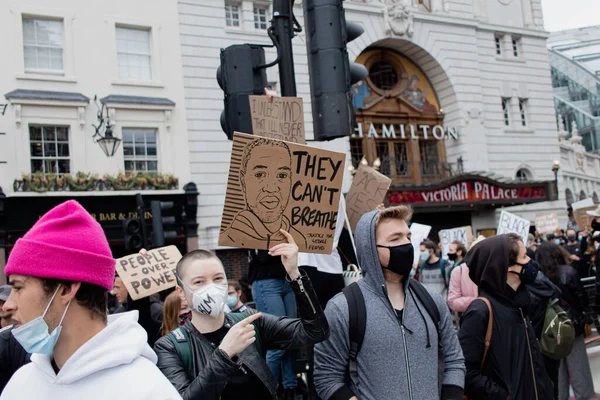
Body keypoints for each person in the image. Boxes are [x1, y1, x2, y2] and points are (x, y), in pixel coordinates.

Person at [0, 200, 181, 399]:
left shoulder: (148, 390)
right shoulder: (21, 384)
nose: (8, 305)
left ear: (66, 290)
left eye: (18, 287)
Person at [153, 230, 329, 400]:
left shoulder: (250, 322)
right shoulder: (170, 347)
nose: (211, 287)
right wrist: (224, 354)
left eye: (218, 278)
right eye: (199, 282)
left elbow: (315, 331)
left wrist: (295, 274)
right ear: (181, 292)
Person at [314, 206, 465, 400]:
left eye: (408, 237)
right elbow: (327, 377)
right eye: (395, 239)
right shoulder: (343, 308)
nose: (407, 245)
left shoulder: (432, 300)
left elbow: (455, 359)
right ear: (370, 249)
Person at [459, 234, 553, 400]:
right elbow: (465, 371)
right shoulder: (480, 311)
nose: (529, 261)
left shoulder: (520, 304)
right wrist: (504, 396)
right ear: (505, 266)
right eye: (524, 257)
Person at [536, 242, 595, 400]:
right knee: (578, 366)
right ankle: (584, 396)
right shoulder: (568, 272)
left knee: (557, 369)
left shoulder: (538, 278)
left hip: (550, 328)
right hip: (572, 324)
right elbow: (582, 300)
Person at [222, 138, 306, 249]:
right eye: (260, 175)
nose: (271, 188)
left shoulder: (300, 241)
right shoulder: (230, 238)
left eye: (282, 176)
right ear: (243, 180)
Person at [525, 252, 562, 398]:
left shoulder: (524, 291)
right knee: (552, 383)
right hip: (549, 339)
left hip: (536, 343)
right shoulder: (542, 281)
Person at [447, 236, 485, 314]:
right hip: (469, 317)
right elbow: (452, 301)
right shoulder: (458, 271)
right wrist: (480, 302)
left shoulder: (496, 270)